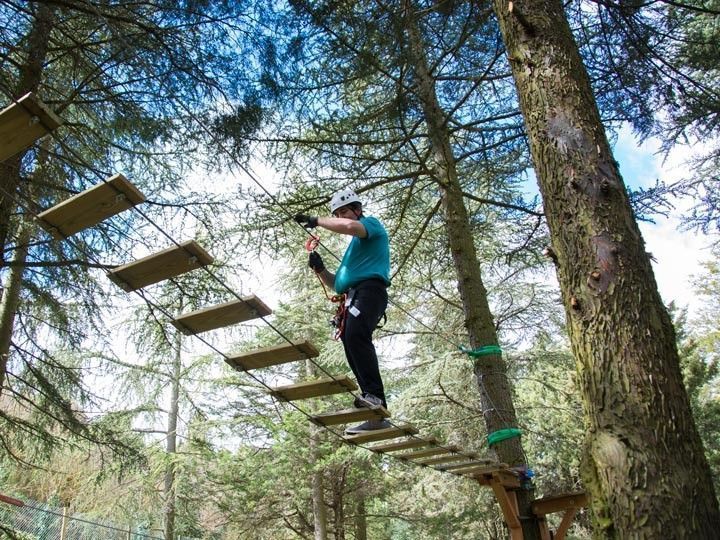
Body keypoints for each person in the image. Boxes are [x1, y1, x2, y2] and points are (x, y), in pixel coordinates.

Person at [295, 189, 391, 434]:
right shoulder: (354, 251)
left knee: (356, 334)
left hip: (369, 291)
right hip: (354, 294)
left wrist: (316, 220)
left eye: (344, 211)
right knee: (350, 339)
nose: (341, 216)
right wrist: (320, 270)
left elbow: (349, 226)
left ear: (357, 210)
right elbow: (337, 284)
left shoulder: (370, 225)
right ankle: (376, 415)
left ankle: (375, 397)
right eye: (336, 213)